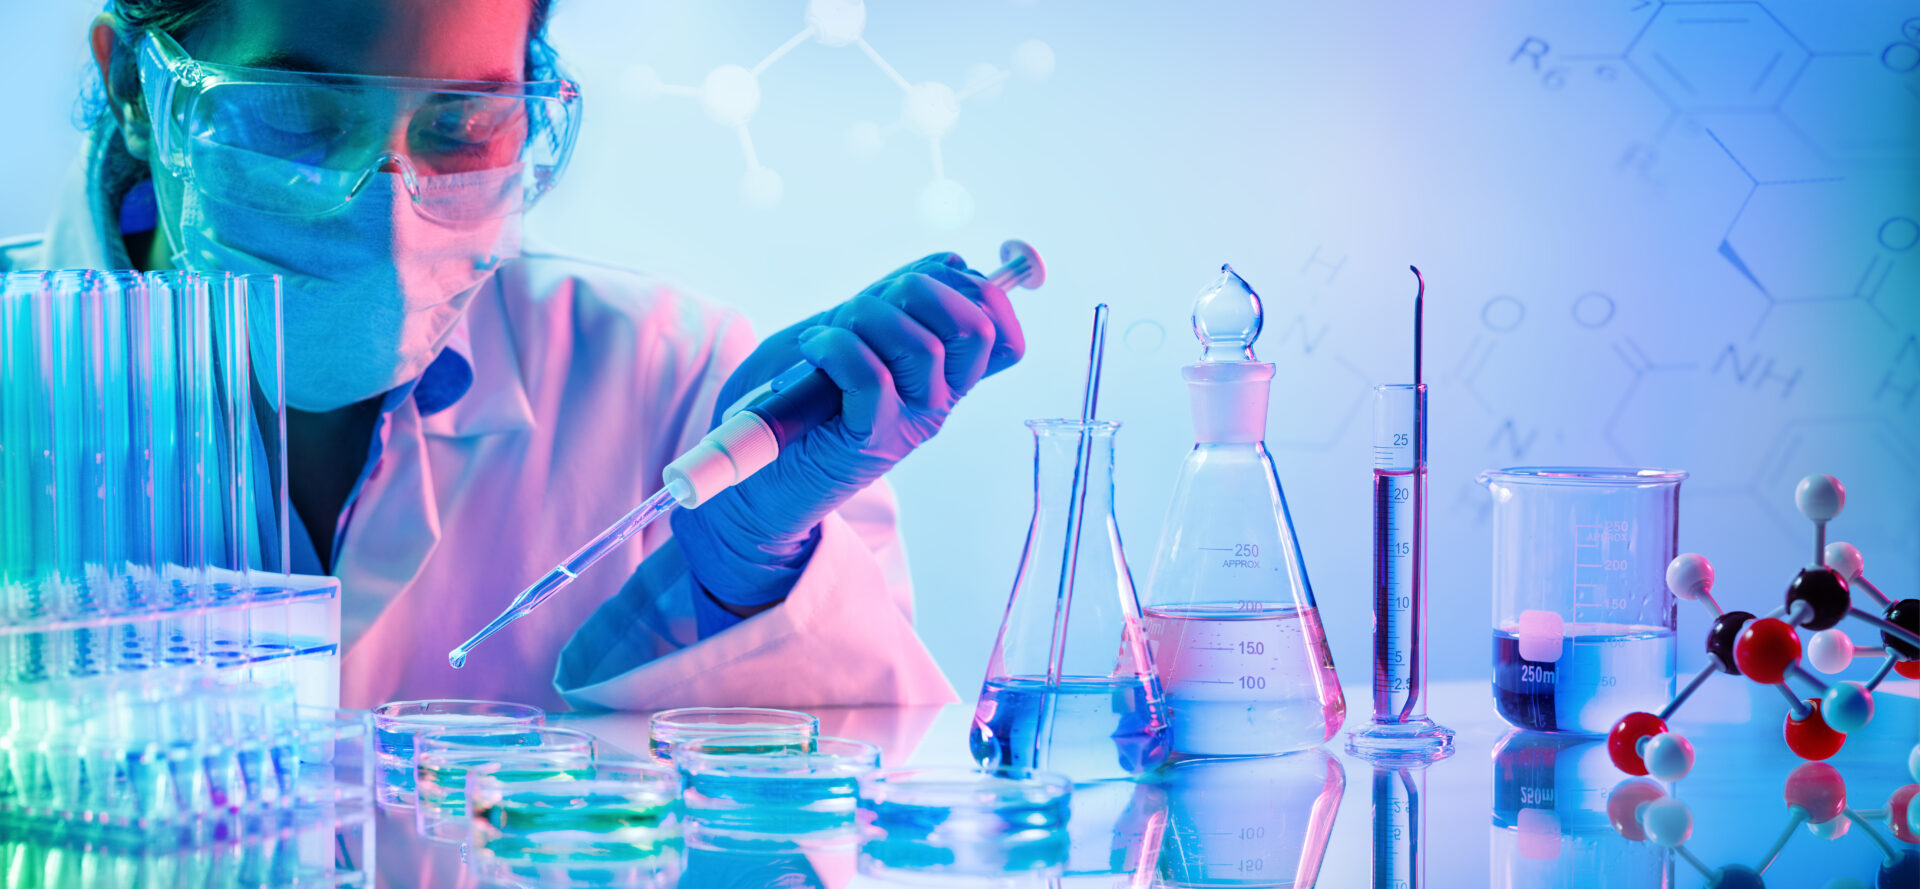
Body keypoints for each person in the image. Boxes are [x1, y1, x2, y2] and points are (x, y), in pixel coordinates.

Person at [0, 0, 1024, 711]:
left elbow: (837, 815)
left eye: (464, 122)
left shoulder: (672, 382)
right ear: (132, 81)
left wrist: (748, 568)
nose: (384, 198)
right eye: (298, 111)